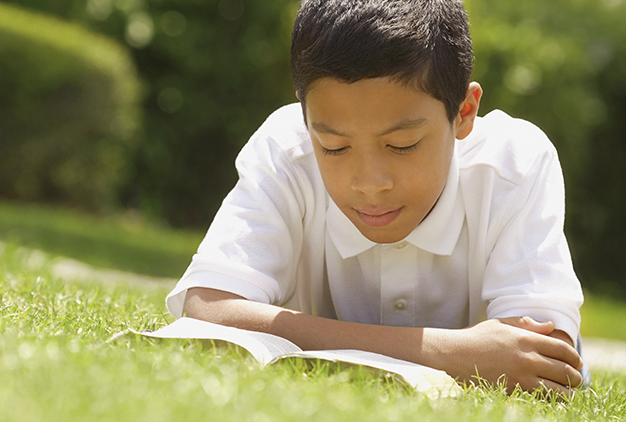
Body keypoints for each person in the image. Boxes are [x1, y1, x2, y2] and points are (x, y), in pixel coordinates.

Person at [165, 0, 586, 396]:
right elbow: (209, 309)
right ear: (305, 114)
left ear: (463, 112)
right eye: (333, 146)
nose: (369, 183)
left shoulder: (513, 164)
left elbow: (545, 360)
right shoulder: (286, 150)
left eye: (402, 145)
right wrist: (455, 353)